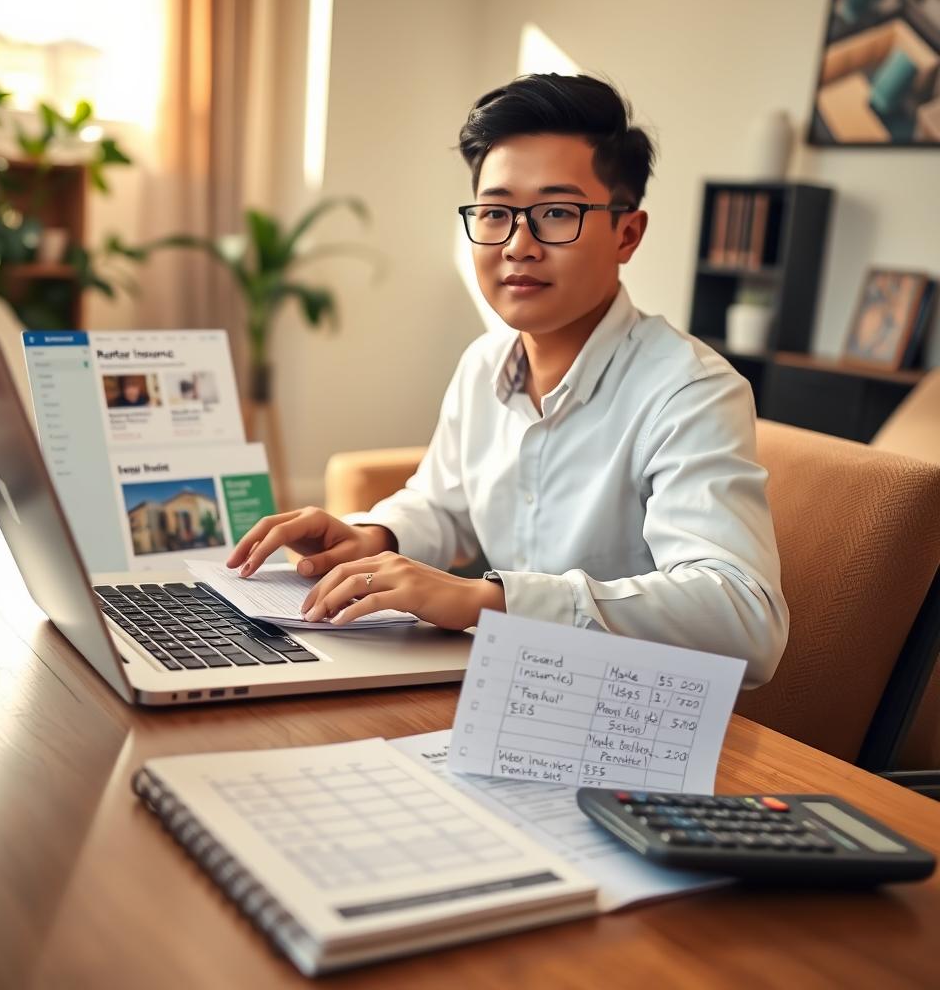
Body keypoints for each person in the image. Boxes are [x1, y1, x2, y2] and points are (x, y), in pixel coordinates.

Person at [226, 73, 788, 686]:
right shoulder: (484, 363)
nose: (519, 244)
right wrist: (374, 535)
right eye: (495, 213)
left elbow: (745, 620)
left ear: (627, 233)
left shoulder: (691, 391)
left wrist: (491, 601)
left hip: (625, 719)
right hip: (496, 685)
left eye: (556, 213)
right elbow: (444, 505)